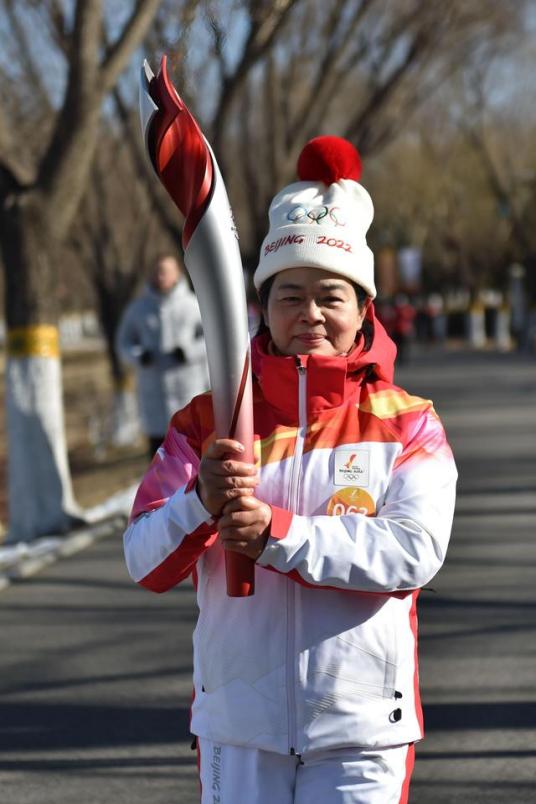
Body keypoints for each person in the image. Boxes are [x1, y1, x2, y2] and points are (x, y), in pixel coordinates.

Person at [123, 137, 457, 802]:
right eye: (290, 295)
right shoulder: (205, 422)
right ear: (264, 306)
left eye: (330, 296)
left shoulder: (409, 421)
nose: (309, 314)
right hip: (238, 728)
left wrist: (279, 533)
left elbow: (413, 552)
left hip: (361, 732)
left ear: (364, 308)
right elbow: (143, 558)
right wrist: (199, 503)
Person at [116, 253, 209, 456]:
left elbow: (211, 340)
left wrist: (188, 352)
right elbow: (123, 343)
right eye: (157, 272)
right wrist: (139, 355)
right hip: (154, 402)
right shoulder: (138, 309)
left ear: (177, 273)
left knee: (192, 462)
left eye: (165, 272)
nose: (161, 277)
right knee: (159, 465)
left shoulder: (194, 305)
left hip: (187, 394)